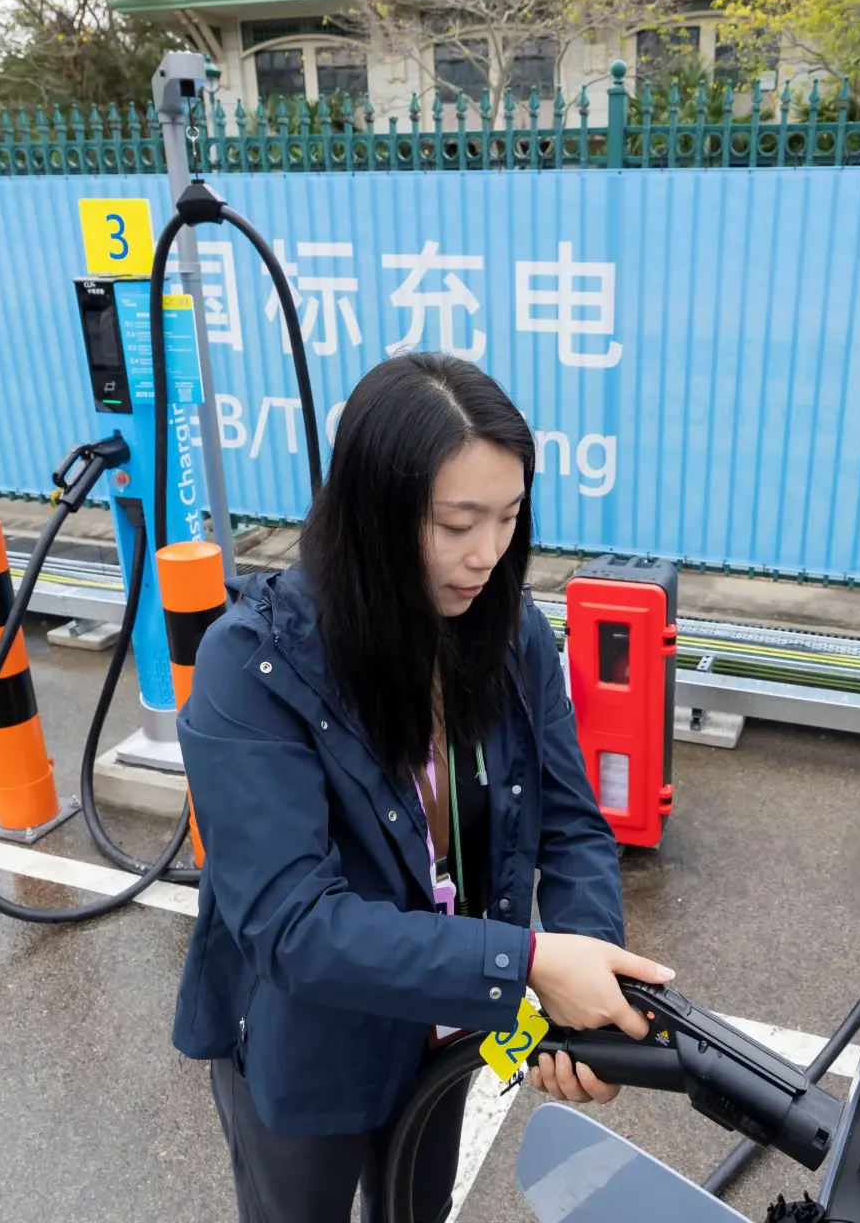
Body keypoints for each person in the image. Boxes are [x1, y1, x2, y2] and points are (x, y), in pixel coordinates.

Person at [174, 351, 675, 1223]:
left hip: (445, 1026)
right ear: (373, 513)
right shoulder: (251, 665)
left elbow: (570, 822)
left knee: (417, 1207)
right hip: (309, 1047)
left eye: (510, 517)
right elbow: (291, 923)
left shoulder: (510, 633)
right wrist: (525, 963)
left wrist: (588, 977)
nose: (487, 554)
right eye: (456, 523)